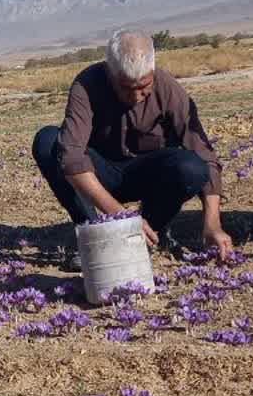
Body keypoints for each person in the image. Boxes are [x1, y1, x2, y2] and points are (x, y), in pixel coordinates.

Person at [32, 30, 232, 257]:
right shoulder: (87, 84)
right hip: (99, 173)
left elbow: (204, 154)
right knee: (48, 141)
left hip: (146, 174)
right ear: (110, 74)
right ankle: (95, 234)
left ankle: (152, 230)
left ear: (152, 72)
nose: (136, 96)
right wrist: (122, 217)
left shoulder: (167, 88)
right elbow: (72, 157)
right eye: (126, 88)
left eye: (144, 87)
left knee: (192, 168)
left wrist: (213, 224)